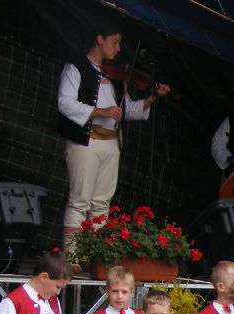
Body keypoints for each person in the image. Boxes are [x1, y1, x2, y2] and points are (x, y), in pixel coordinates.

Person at [57, 23, 169, 260]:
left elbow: (127, 111)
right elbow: (65, 103)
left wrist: (152, 97)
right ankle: (73, 257)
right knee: (79, 201)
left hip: (111, 144)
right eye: (114, 42)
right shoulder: (76, 67)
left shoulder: (116, 77)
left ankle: (95, 257)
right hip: (86, 142)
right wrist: (100, 111)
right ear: (100, 39)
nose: (118, 49)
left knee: (101, 204)